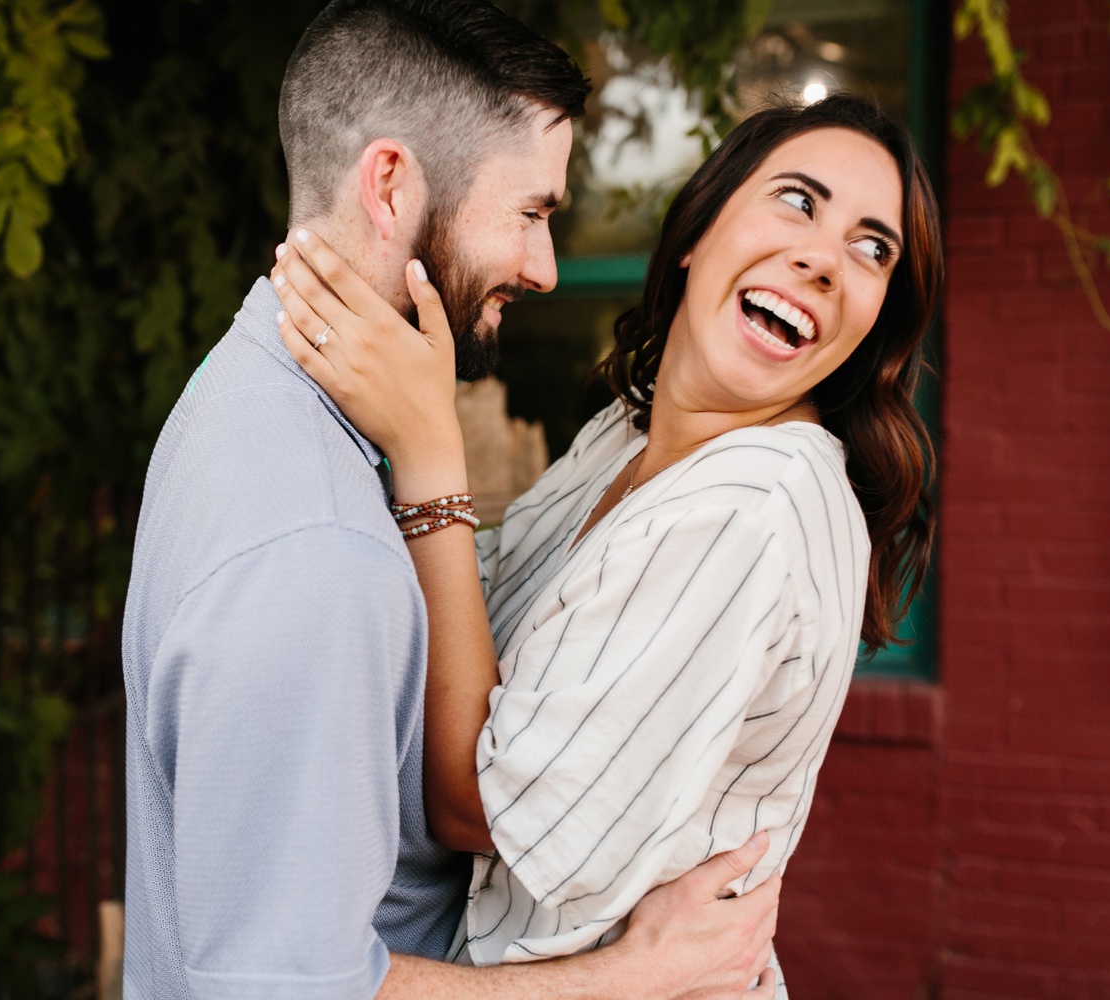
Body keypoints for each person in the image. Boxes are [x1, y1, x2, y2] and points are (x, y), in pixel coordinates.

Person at [120, 1, 782, 998]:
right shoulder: (317, 546)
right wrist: (633, 973)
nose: (546, 267)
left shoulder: (241, 388)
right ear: (392, 184)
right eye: (531, 213)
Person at [269, 93, 943, 997]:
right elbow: (465, 626)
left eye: (873, 249)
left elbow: (482, 806)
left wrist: (429, 449)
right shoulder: (626, 438)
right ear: (701, 229)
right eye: (797, 200)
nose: (825, 260)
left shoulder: (753, 505)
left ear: (872, 319)